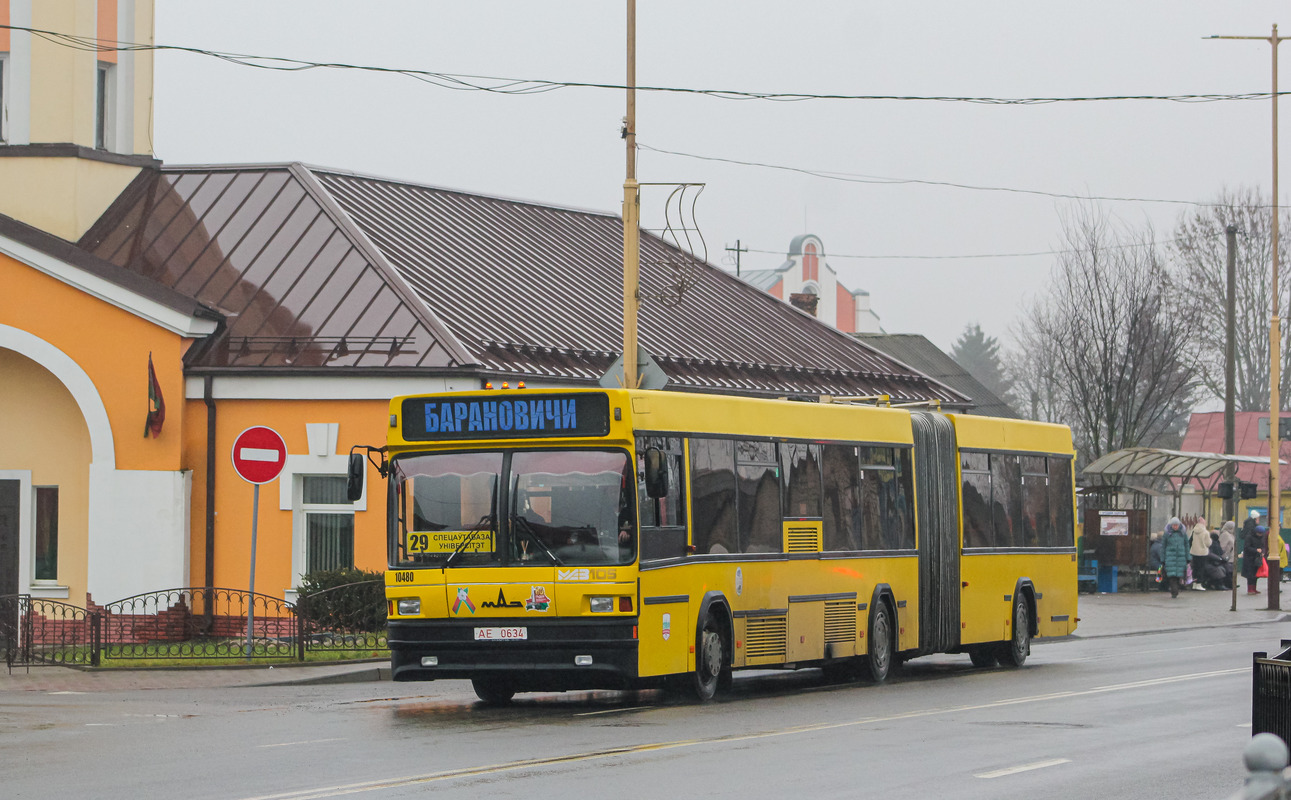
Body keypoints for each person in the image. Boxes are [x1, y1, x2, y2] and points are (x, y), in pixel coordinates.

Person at [1161, 517, 1191, 599]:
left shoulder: (1183, 534)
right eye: (1173, 525)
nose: (1175, 527)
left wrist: (1188, 557)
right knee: (1172, 576)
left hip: (1180, 558)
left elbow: (1187, 545)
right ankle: (1174, 592)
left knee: (1178, 576)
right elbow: (1163, 547)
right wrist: (1162, 559)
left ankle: (1175, 590)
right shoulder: (1167, 534)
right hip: (1170, 558)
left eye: (1176, 525)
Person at [1243, 524, 1269, 595]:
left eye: (1261, 533)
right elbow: (1247, 548)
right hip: (1249, 559)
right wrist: (1256, 550)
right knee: (1250, 575)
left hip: (1257, 558)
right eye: (1259, 533)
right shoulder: (1249, 537)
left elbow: (1263, 546)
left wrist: (1263, 552)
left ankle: (1254, 588)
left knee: (1256, 574)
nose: (1260, 535)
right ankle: (1250, 589)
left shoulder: (1261, 538)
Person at [1188, 519, 1211, 590]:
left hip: (1194, 552)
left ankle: (1194, 583)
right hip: (1202, 553)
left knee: (1195, 568)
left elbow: (1190, 541)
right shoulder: (1205, 532)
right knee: (1201, 568)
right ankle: (1199, 583)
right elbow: (1208, 543)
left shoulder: (1193, 531)